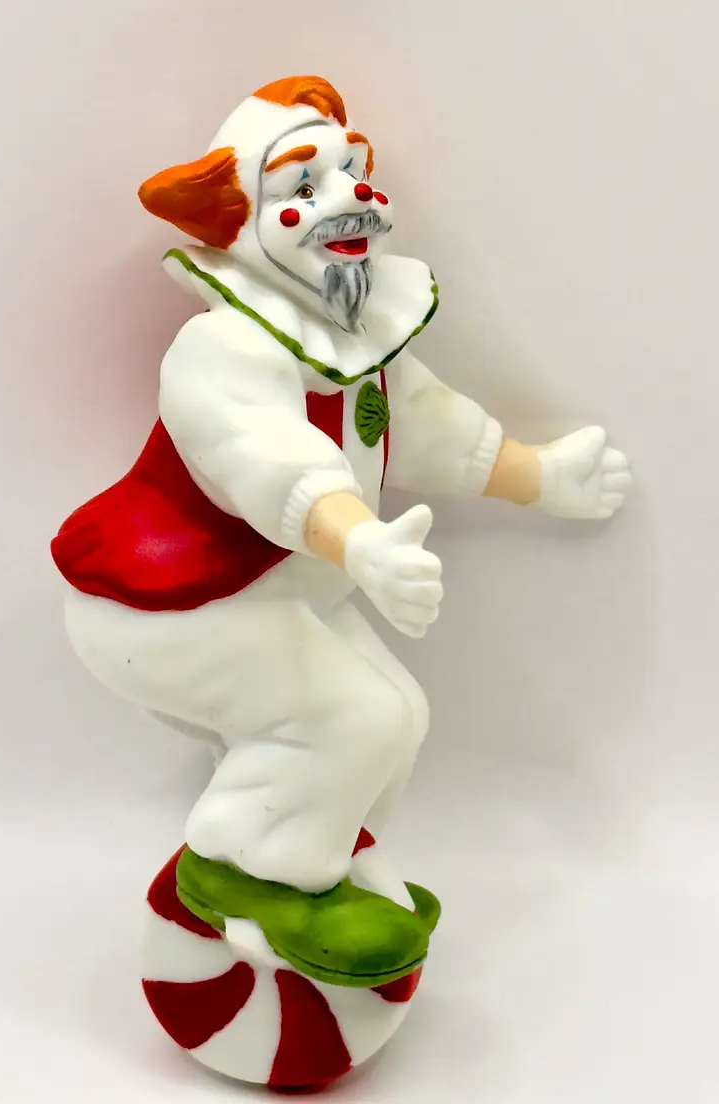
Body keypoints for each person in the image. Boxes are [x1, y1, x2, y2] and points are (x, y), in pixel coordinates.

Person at [52, 76, 631, 988]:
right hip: (165, 605)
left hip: (263, 598)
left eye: (352, 170)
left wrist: (540, 476)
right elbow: (265, 458)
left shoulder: (356, 344)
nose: (349, 197)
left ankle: (326, 859)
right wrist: (359, 542)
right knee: (356, 717)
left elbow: (429, 428)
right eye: (303, 185)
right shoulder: (224, 348)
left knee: (400, 714)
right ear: (240, 223)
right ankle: (248, 876)